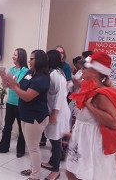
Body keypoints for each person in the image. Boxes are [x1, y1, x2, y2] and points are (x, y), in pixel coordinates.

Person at [65, 52, 116, 180]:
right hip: (82, 142)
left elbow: (114, 122)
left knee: (83, 175)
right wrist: (74, 135)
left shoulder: (100, 95)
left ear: (95, 72)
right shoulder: (88, 90)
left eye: (85, 67)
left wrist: (90, 107)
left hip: (93, 146)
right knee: (71, 172)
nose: (81, 70)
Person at [5, 50, 50, 180]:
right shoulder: (30, 73)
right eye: (29, 58)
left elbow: (27, 96)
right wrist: (12, 83)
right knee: (31, 147)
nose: (29, 61)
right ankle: (32, 168)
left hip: (35, 118)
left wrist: (14, 87)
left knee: (33, 147)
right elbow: (21, 86)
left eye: (32, 59)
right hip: (26, 114)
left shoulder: (42, 78)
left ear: (39, 61)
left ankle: (35, 176)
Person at [0, 48, 29, 158]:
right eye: (13, 54)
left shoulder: (25, 71)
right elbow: (5, 86)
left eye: (15, 55)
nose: (13, 56)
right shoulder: (12, 69)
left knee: (21, 128)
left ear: (21, 57)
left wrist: (8, 79)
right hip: (10, 102)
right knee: (7, 126)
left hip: (20, 103)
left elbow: (17, 85)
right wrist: (3, 77)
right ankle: (3, 147)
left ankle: (20, 150)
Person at [41, 50, 71, 180]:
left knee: (56, 139)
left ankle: (56, 170)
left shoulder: (56, 74)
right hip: (54, 110)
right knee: (53, 138)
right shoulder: (53, 72)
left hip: (58, 112)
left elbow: (60, 95)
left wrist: (54, 113)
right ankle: (52, 162)